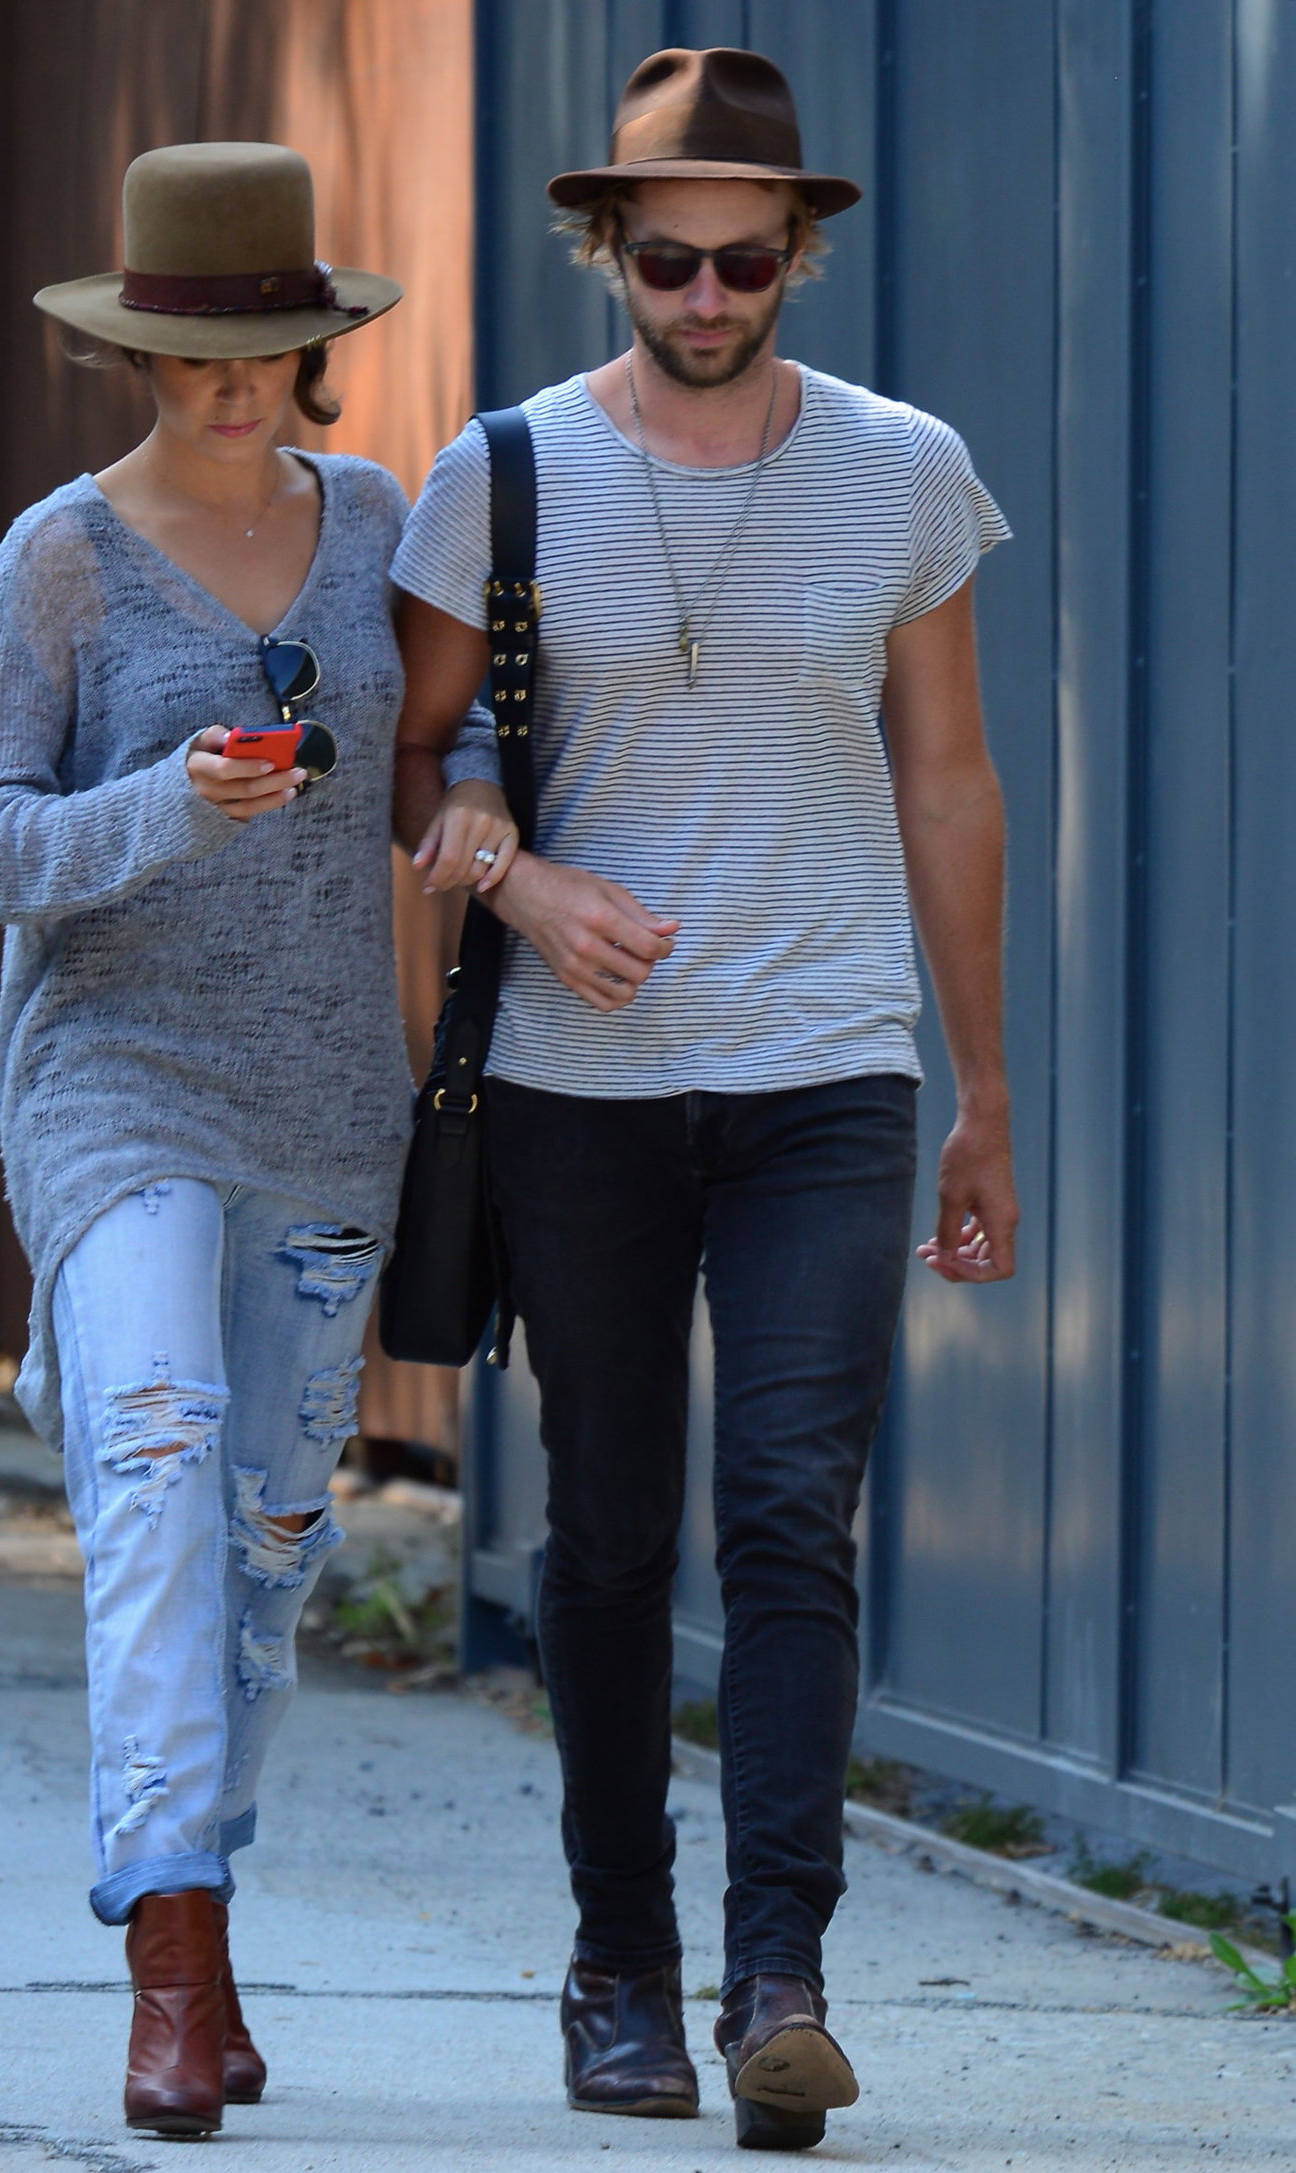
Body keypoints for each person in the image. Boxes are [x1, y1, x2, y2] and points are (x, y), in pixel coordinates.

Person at [392, 46, 1020, 2155]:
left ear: (797, 258)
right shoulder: (500, 474)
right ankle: (615, 1966)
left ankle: (780, 1974)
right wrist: (524, 875)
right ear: (609, 254)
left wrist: (982, 1087)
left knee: (783, 1511)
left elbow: (946, 771)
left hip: (825, 1067)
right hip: (578, 1087)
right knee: (601, 1530)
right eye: (665, 261)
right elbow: (423, 762)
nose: (703, 295)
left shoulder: (904, 469)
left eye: (744, 261)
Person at [0, 141, 492, 2141]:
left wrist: (474, 815)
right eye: (199, 354)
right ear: (139, 357)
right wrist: (169, 803)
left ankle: (211, 1888)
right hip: (116, 1086)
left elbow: (456, 734)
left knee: (267, 1545)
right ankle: (163, 1953)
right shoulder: (58, 559)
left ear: (316, 346)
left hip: (330, 1102)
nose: (236, 383)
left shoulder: (377, 523)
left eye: (271, 345)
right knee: (161, 1457)